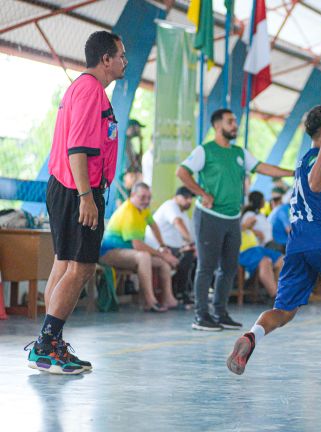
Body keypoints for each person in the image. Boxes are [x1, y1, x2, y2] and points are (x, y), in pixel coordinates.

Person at [226, 104, 321, 378]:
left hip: (300, 243)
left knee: (284, 310)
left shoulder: (303, 161)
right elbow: (316, 186)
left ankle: (252, 336)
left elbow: (313, 202)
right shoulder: (318, 158)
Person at [25, 31, 127, 375]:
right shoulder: (89, 90)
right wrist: (86, 196)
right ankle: (46, 344)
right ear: (106, 59)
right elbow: (78, 147)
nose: (125, 61)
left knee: (65, 263)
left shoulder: (85, 89)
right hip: (75, 189)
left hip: (68, 187)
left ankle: (49, 341)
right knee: (80, 267)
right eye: (121, 55)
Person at [176, 109, 294, 331]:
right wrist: (202, 193)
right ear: (217, 125)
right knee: (206, 267)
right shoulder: (205, 150)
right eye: (230, 122)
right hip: (209, 216)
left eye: (235, 122)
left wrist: (292, 173)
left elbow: (262, 167)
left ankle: (220, 312)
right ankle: (201, 315)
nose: (235, 125)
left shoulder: (239, 152)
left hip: (232, 217)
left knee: (229, 267)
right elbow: (182, 172)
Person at [100, 182, 179, 312]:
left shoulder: (143, 209)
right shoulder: (129, 211)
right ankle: (149, 302)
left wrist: (162, 246)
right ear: (133, 195)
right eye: (142, 197)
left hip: (128, 252)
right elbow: (138, 245)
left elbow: (153, 225)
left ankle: (169, 299)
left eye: (149, 198)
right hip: (108, 253)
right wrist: (163, 254)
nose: (146, 201)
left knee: (163, 263)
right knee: (144, 256)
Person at [145, 186, 197, 305]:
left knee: (193, 255)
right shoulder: (171, 205)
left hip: (171, 247)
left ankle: (185, 292)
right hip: (158, 247)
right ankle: (180, 293)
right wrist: (191, 244)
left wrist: (189, 246)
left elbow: (182, 238)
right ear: (176, 197)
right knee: (187, 255)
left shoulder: (183, 214)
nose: (189, 200)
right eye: (185, 197)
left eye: (190, 198)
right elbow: (178, 223)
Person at [267, 189, 291, 254]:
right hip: (279, 244)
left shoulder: (281, 208)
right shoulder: (284, 209)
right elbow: (289, 230)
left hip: (277, 243)